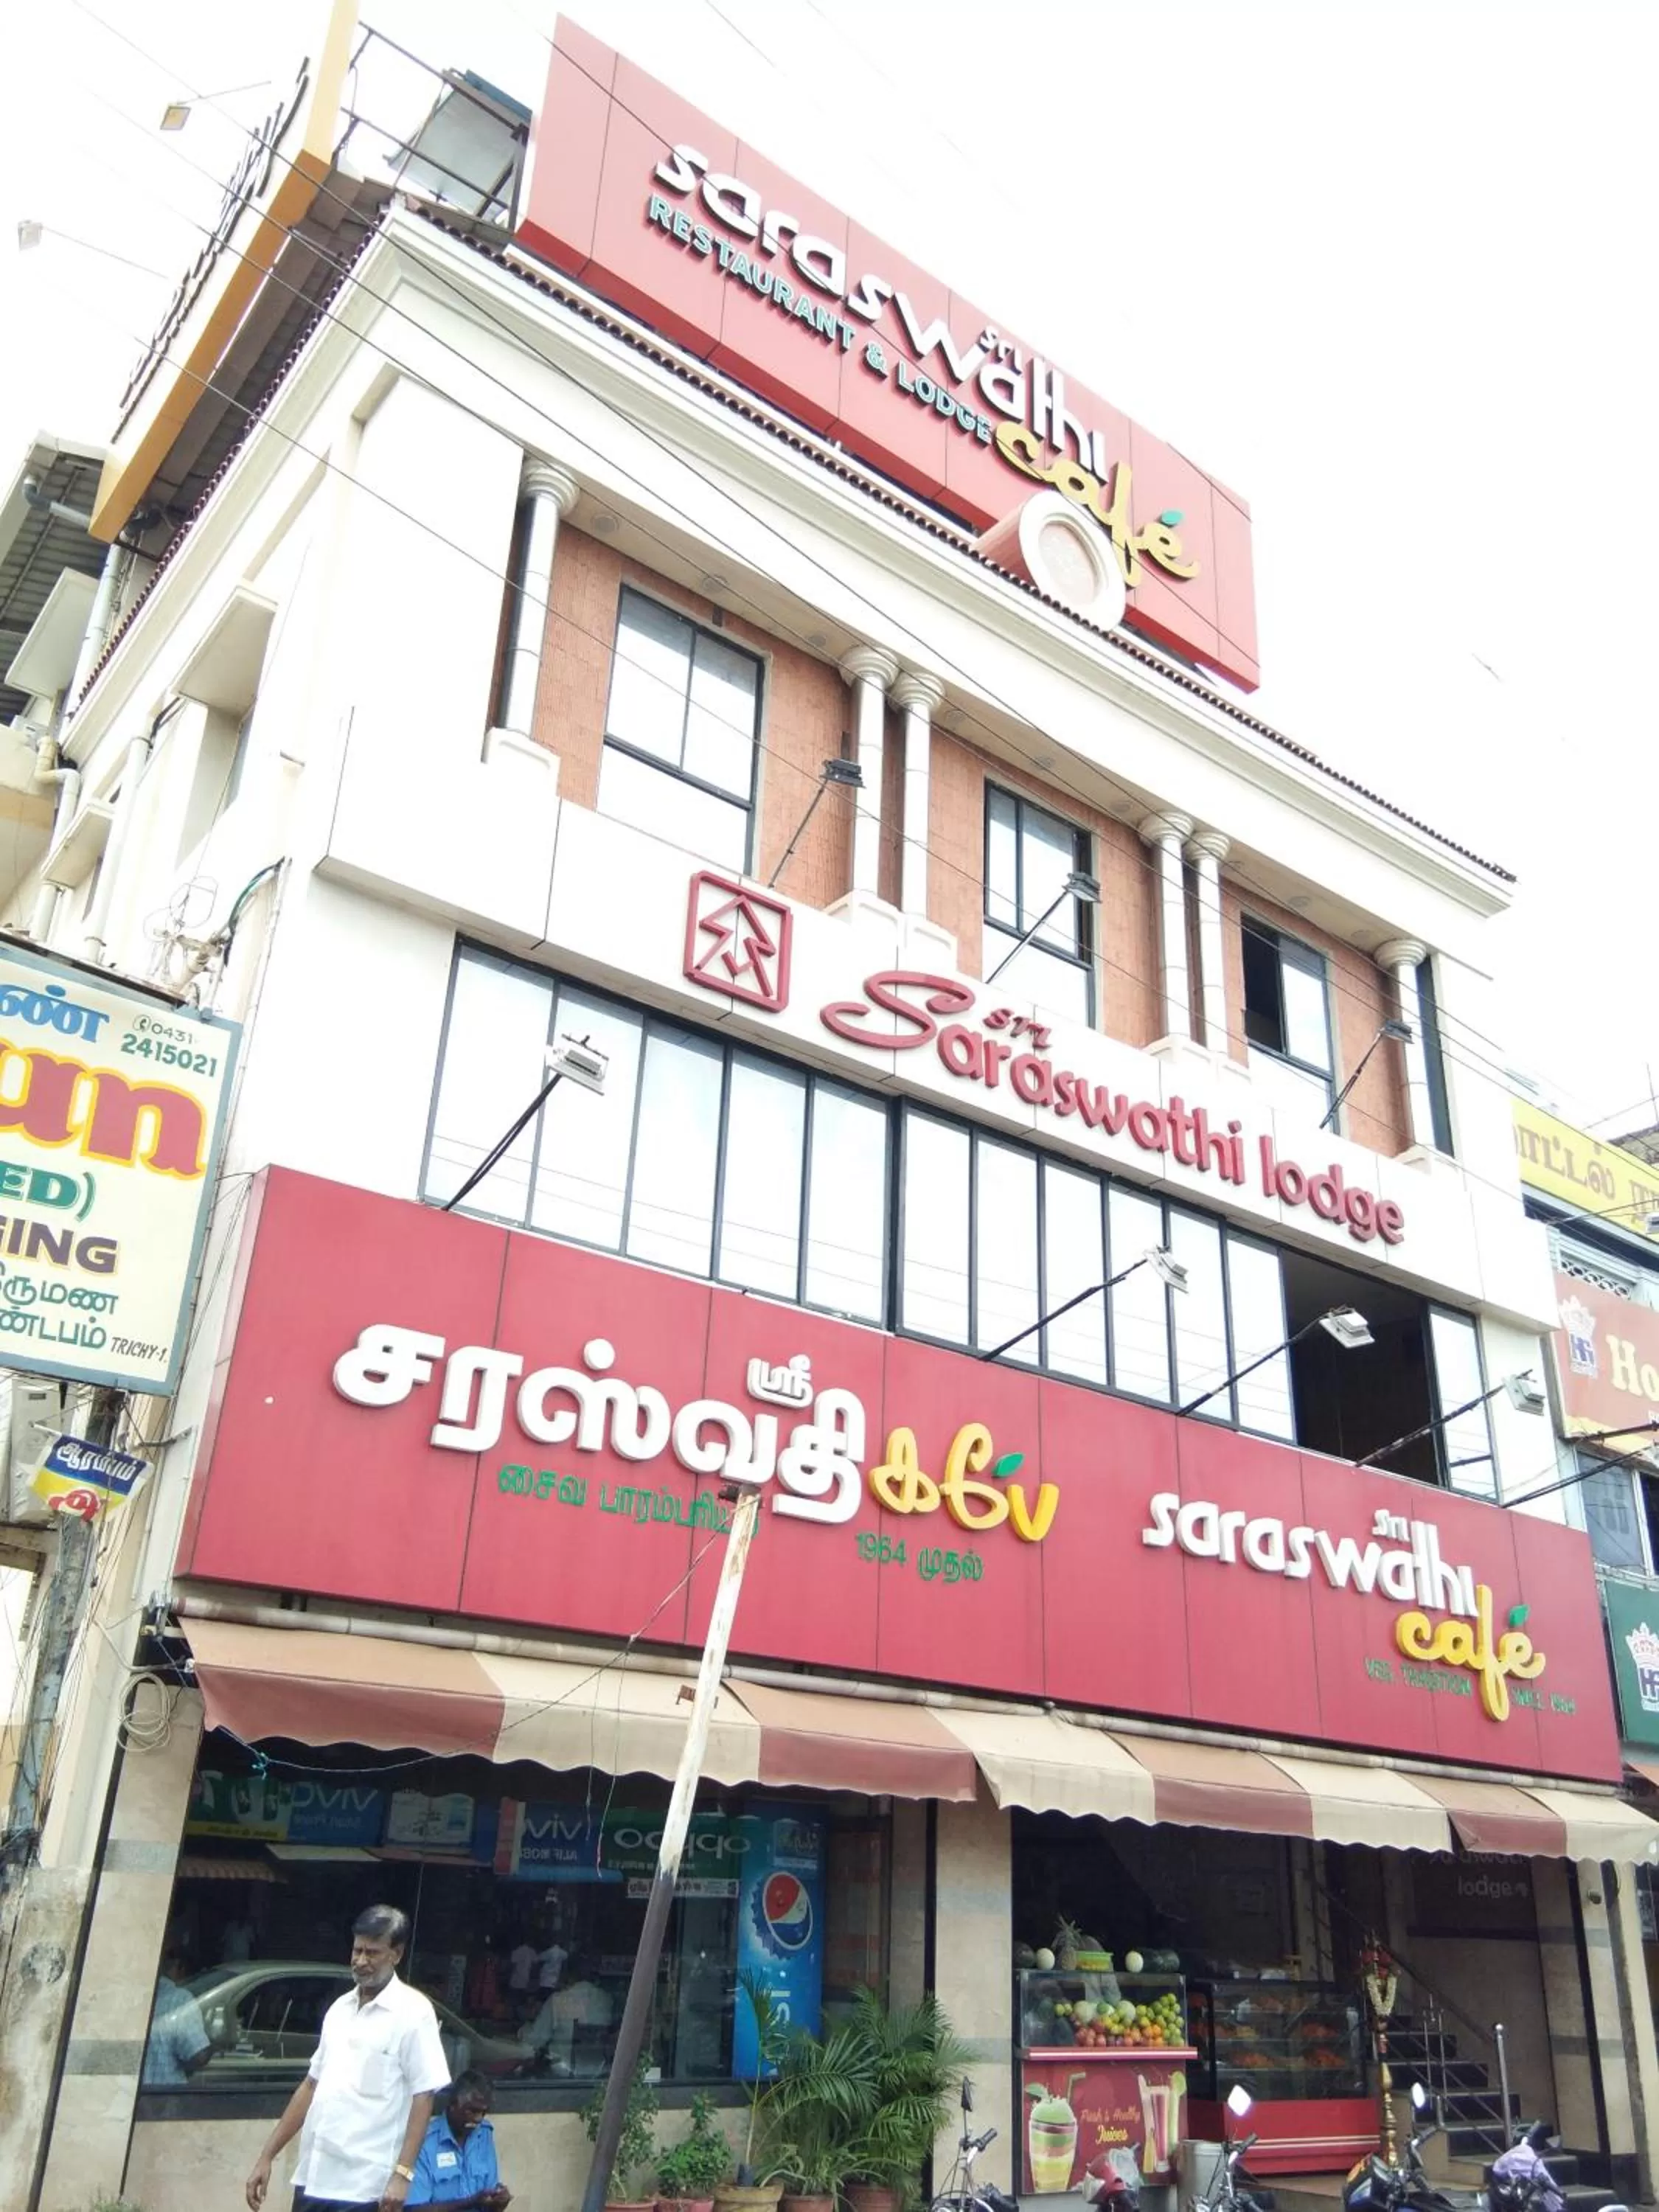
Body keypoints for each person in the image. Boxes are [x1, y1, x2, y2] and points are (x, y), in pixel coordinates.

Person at [244, 1903, 451, 2212]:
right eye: (357, 1951)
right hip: (314, 2177)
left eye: (373, 1952)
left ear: (397, 1954)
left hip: (365, 2188)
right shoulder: (340, 2009)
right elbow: (311, 2086)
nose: (361, 1961)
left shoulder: (413, 2013)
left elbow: (424, 2097)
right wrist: (266, 2156)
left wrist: (403, 2174)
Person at [408, 2071, 512, 2208]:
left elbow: (491, 2198)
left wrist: (499, 2200)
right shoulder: (425, 2141)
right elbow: (414, 2209)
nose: (478, 2119)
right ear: (453, 2104)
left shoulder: (484, 2133)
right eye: (472, 2111)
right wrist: (471, 2202)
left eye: (483, 2112)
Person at [518, 1950, 614, 2073]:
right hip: (598, 2073)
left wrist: (523, 2029)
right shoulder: (606, 1999)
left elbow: (535, 2041)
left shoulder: (558, 2000)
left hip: (562, 2073)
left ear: (567, 1974)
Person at [142, 1943, 213, 2087]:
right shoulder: (179, 2000)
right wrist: (214, 2044)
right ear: (179, 1967)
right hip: (165, 2097)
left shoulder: (131, 1996)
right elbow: (198, 2056)